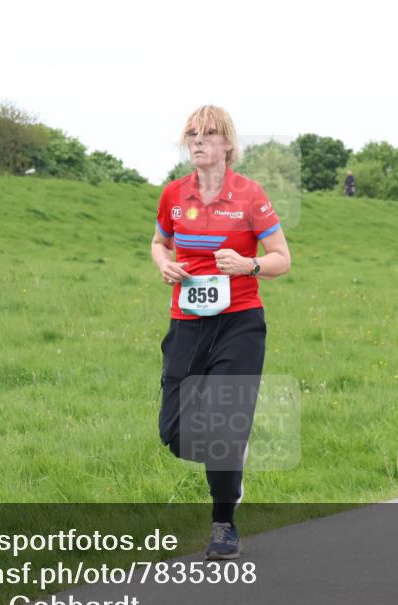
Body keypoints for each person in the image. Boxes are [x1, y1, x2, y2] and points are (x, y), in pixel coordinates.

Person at [151, 105, 291, 560]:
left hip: (239, 323)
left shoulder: (250, 196)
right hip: (188, 322)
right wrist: (164, 266)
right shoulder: (174, 194)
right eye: (192, 133)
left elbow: (281, 258)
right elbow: (159, 242)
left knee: (224, 430)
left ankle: (224, 524)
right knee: (173, 433)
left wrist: (249, 264)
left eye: (209, 134)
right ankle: (231, 456)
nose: (198, 140)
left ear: (227, 144)